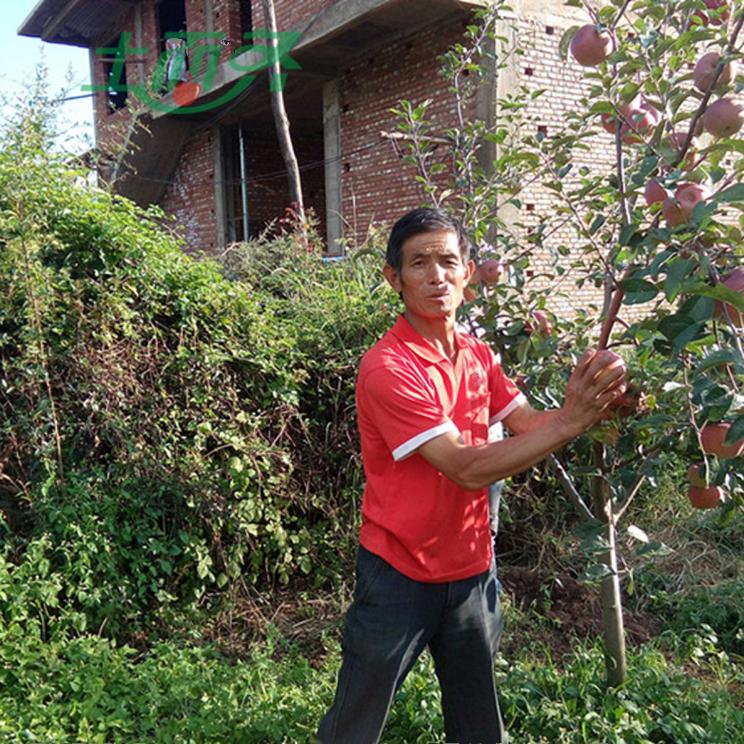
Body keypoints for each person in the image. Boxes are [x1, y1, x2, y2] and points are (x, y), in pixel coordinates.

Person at [315, 208, 626, 744]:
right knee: (354, 724)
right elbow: (464, 467)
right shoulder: (388, 368)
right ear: (395, 277)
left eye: (447, 262)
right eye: (420, 263)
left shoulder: (478, 353)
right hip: (398, 571)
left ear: (468, 275)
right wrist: (573, 421)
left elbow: (530, 424)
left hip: (471, 569)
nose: (436, 276)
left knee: (480, 722)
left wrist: (592, 405)